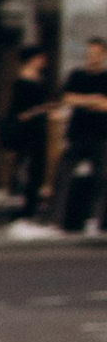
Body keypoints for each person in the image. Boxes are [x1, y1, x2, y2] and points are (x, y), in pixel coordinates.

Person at [0, 45, 57, 236]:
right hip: (27, 133)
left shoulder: (38, 80)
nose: (43, 60)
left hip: (37, 131)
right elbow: (19, 113)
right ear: (32, 59)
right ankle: (22, 215)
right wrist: (40, 110)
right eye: (40, 57)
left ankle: (29, 213)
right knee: (28, 172)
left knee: (36, 172)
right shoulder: (21, 83)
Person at [56, 39, 107, 239]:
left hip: (102, 135)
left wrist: (83, 101)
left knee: (102, 179)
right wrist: (93, 100)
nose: (92, 57)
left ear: (103, 55)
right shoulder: (77, 75)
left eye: (96, 53)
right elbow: (67, 98)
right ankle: (59, 221)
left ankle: (96, 220)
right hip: (77, 134)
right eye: (89, 53)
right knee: (65, 176)